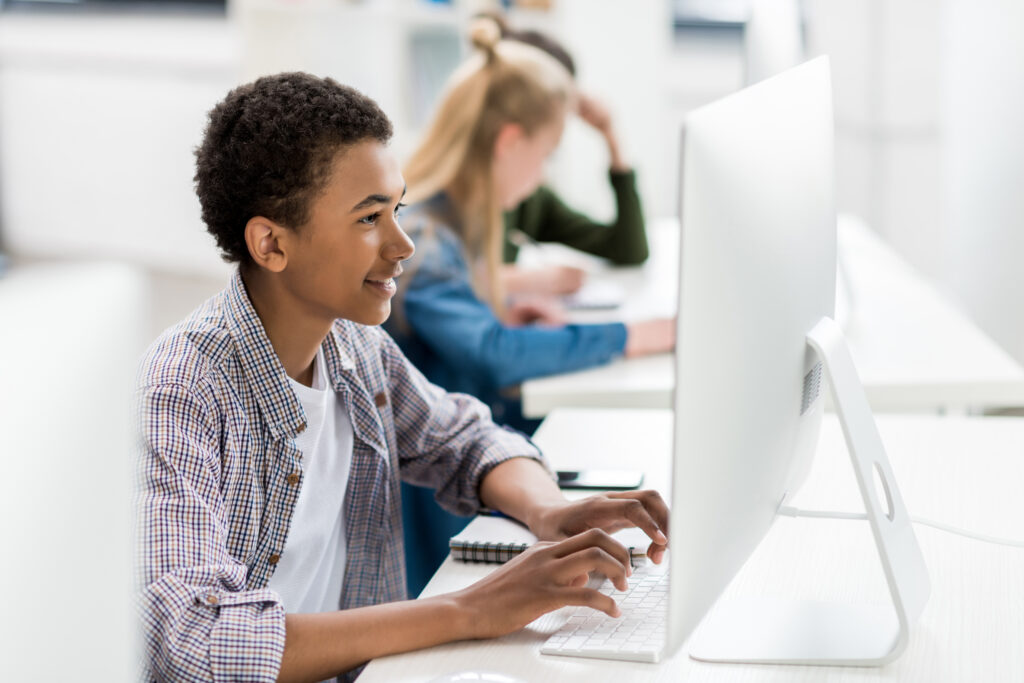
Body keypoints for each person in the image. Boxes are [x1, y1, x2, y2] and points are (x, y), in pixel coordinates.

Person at [134, 72, 669, 683]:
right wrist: (470, 609)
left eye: (398, 210)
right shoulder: (181, 391)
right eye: (368, 219)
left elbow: (465, 441)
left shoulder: (357, 350)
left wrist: (550, 510)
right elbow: (190, 640)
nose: (403, 244)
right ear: (270, 244)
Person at [384, 18, 675, 597]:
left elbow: (472, 338)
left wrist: (501, 313)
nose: (544, 173)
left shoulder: (457, 225)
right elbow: (494, 357)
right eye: (544, 155)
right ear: (510, 141)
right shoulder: (422, 235)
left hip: (476, 464)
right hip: (437, 507)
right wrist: (628, 336)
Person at [486, 13, 650, 299]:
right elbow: (443, 279)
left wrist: (611, 137)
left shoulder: (528, 194)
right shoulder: (464, 188)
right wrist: (534, 280)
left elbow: (629, 249)